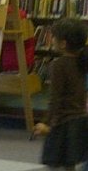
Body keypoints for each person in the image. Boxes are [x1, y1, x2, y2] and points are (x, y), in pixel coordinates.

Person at [32, 18, 88, 170]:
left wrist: (47, 123)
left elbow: (55, 98)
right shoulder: (82, 62)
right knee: (70, 163)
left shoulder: (58, 65)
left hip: (62, 122)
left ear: (63, 44)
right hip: (80, 120)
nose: (52, 39)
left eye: (54, 37)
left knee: (53, 163)